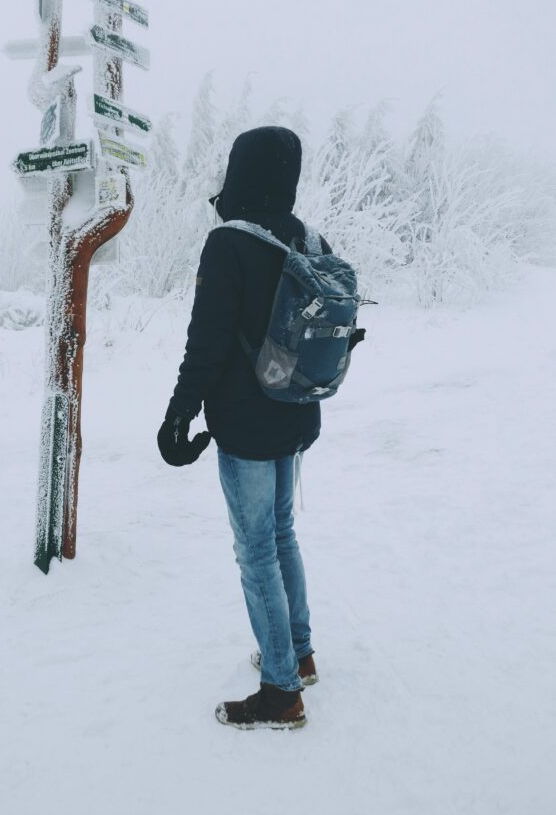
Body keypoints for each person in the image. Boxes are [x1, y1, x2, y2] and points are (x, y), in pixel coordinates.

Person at [157, 125, 338, 730]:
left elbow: (205, 342)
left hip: (247, 422)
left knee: (256, 548)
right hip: (295, 412)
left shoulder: (229, 243)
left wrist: (179, 413)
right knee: (282, 533)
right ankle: (300, 653)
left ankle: (281, 691)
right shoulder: (308, 238)